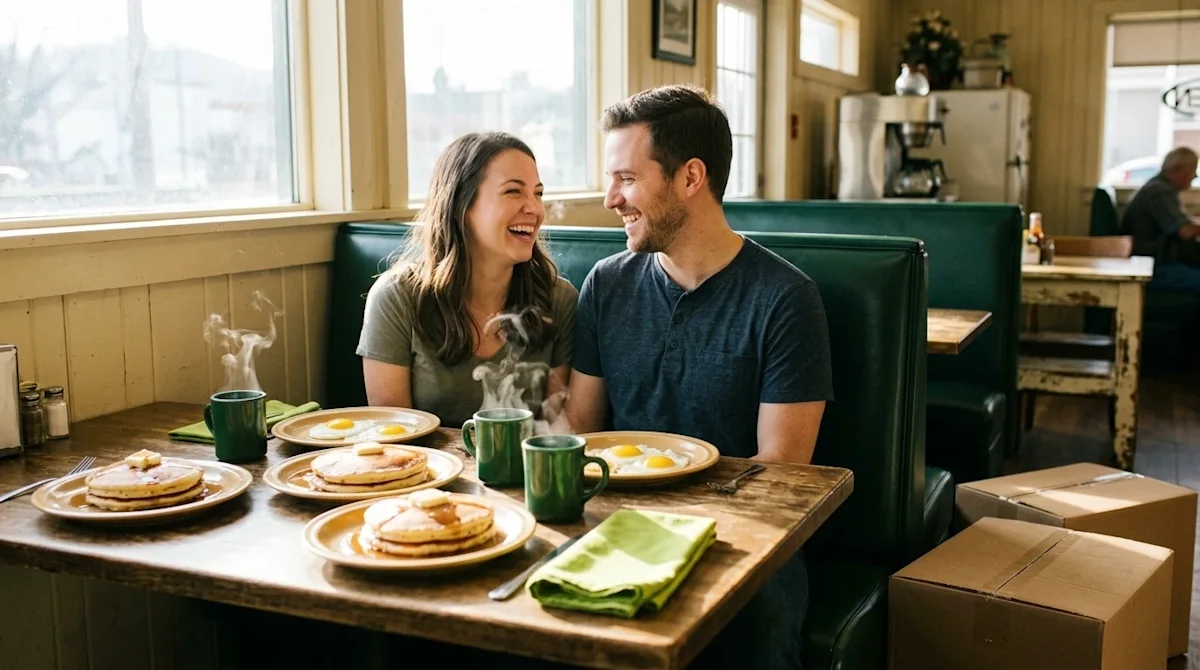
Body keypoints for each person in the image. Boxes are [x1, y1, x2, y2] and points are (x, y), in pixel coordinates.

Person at [560, 84, 834, 669]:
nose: (610, 198)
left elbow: (781, 473)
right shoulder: (606, 285)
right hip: (618, 526)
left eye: (627, 179)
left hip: (744, 541)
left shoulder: (785, 299)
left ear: (690, 178)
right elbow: (580, 428)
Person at [357, 132, 577, 427]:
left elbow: (556, 431)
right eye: (514, 191)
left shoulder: (558, 299)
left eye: (538, 193)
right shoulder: (396, 297)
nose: (535, 209)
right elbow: (395, 436)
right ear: (462, 204)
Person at [1120, 146, 1200, 291]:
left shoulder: (1158, 187)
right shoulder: (1161, 192)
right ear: (1177, 169)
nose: (1194, 176)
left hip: (1151, 262)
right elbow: (1185, 231)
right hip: (1153, 266)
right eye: (1192, 171)